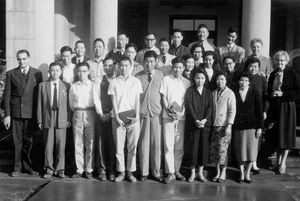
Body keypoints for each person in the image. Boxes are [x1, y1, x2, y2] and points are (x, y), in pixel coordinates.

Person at [3, 49, 43, 177]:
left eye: (24, 59)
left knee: (29, 141)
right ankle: (16, 168)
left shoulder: (37, 73)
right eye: (19, 59)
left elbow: (39, 96)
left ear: (29, 58)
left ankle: (29, 167)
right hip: (16, 112)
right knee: (16, 141)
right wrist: (7, 115)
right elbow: (7, 95)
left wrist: (39, 116)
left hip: (31, 113)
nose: (22, 61)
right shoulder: (11, 74)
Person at [108, 56, 143, 183]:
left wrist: (137, 116)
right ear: (118, 66)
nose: (123, 68)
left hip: (133, 118)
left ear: (130, 66)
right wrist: (117, 117)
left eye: (126, 65)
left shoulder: (136, 81)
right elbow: (113, 102)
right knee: (119, 147)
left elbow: (137, 101)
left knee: (132, 147)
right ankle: (121, 172)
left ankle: (130, 172)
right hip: (118, 119)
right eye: (121, 65)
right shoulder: (114, 82)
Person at [266, 50, 299, 174]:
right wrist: (272, 94)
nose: (280, 62)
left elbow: (297, 91)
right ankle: (278, 162)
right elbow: (269, 91)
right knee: (277, 135)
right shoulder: (274, 74)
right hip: (276, 107)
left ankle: (283, 163)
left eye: (282, 60)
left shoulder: (292, 73)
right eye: (278, 60)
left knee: (285, 135)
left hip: (287, 107)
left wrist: (283, 93)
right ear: (275, 61)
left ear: (286, 61)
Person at [37, 62, 71, 179]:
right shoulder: (43, 85)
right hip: (48, 116)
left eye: (57, 70)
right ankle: (49, 169)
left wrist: (69, 118)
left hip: (61, 117)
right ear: (49, 72)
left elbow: (69, 104)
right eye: (52, 70)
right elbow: (39, 104)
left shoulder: (66, 85)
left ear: (61, 72)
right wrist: (40, 120)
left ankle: (60, 169)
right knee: (48, 144)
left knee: (61, 144)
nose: (55, 73)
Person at [160, 57, 190, 184]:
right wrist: (168, 110)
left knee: (179, 145)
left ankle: (177, 169)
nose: (177, 69)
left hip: (181, 117)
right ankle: (170, 172)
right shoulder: (166, 79)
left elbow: (187, 101)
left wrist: (182, 112)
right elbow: (163, 96)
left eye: (180, 67)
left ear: (184, 68)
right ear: (172, 68)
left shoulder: (187, 82)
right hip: (168, 116)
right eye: (175, 67)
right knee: (168, 145)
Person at [135, 51, 164, 182]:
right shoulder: (138, 76)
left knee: (156, 144)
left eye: (152, 61)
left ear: (156, 62)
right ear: (143, 62)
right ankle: (144, 171)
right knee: (143, 144)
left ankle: (156, 171)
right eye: (147, 61)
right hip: (142, 114)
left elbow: (164, 95)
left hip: (156, 114)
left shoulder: (161, 75)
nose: (149, 64)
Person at [234, 73, 263, 183]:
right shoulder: (235, 93)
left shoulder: (254, 92)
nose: (243, 82)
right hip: (239, 126)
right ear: (238, 81)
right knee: (240, 151)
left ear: (249, 82)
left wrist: (260, 127)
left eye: (246, 80)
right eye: (241, 80)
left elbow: (259, 111)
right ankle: (241, 173)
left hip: (252, 127)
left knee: (251, 152)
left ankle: (247, 174)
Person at [184, 68, 213, 182]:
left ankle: (200, 173)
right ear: (194, 79)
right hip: (193, 125)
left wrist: (205, 119)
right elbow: (189, 106)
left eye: (202, 78)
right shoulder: (190, 91)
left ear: (205, 79)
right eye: (197, 78)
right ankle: (192, 173)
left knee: (203, 150)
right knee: (193, 149)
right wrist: (196, 120)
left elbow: (210, 107)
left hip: (205, 125)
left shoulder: (208, 92)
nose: (200, 80)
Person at [69, 62, 96, 179]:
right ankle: (79, 169)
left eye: (84, 71)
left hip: (90, 113)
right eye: (79, 71)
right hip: (78, 113)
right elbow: (71, 104)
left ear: (88, 72)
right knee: (78, 143)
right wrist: (77, 112)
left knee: (90, 143)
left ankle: (89, 169)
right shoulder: (73, 86)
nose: (82, 74)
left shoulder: (93, 85)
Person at [93, 57, 117, 181]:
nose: (107, 68)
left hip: (114, 115)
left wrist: (112, 113)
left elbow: (119, 99)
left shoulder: (118, 80)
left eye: (110, 65)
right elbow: (96, 97)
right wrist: (101, 113)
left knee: (112, 143)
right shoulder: (98, 80)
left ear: (114, 66)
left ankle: (112, 170)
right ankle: (102, 169)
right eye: (105, 66)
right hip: (101, 115)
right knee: (101, 142)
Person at [210, 73, 236, 183]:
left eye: (222, 79)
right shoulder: (213, 93)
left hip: (224, 126)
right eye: (218, 79)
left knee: (223, 150)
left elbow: (232, 111)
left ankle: (223, 172)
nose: (220, 81)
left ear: (226, 81)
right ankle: (217, 171)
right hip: (214, 125)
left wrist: (229, 125)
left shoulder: (230, 93)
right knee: (216, 150)